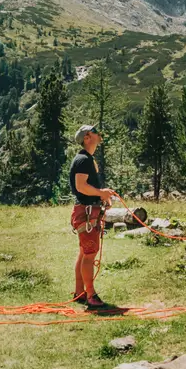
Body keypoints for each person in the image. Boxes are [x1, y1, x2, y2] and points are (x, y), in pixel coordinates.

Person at [69, 124, 115, 310]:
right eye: (95, 132)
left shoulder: (86, 159)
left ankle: (80, 292)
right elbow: (81, 186)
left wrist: (102, 196)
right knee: (89, 254)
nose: (99, 134)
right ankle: (91, 296)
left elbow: (86, 188)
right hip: (87, 213)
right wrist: (100, 193)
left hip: (88, 210)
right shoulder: (83, 160)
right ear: (87, 137)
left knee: (84, 253)